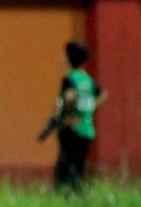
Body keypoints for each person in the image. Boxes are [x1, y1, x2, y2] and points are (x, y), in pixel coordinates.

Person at [38, 41, 108, 192]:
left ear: (69, 58)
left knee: (64, 168)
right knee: (79, 168)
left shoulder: (70, 79)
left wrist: (67, 115)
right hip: (87, 129)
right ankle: (78, 195)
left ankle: (63, 197)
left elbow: (69, 97)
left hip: (71, 129)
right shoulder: (87, 79)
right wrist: (88, 108)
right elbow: (103, 94)